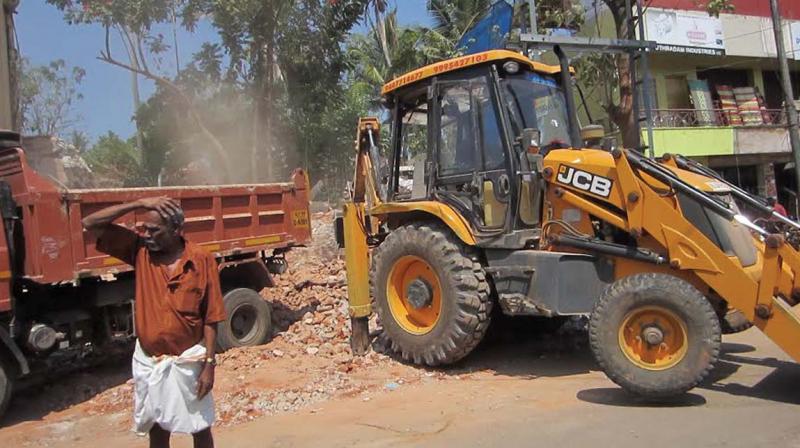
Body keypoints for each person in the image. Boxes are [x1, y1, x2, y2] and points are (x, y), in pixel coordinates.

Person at [82, 197, 226, 448]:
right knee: (157, 429)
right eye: (143, 228)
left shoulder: (202, 260)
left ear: (176, 231)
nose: (146, 235)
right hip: (150, 363)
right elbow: (90, 223)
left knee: (200, 427)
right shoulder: (139, 252)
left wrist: (209, 365)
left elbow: (211, 316)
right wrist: (136, 203)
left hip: (188, 363)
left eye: (153, 230)